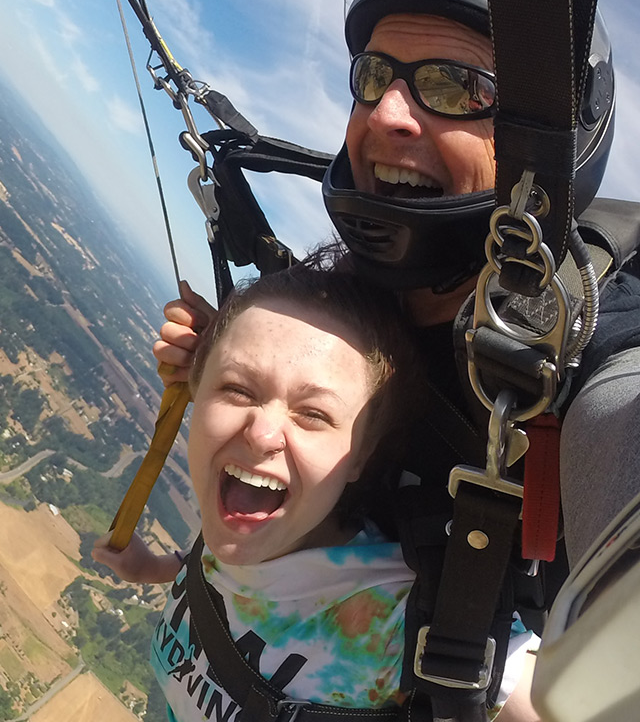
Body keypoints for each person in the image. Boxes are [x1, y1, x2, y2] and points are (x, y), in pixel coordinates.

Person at [156, 0, 640, 573]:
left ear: (551, 149)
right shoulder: (348, 305)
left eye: (458, 87)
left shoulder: (586, 342)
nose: (385, 112)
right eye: (376, 75)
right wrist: (242, 375)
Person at [94, 257, 540, 721]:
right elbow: (233, 584)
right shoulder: (246, 519)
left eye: (313, 414)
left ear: (361, 456)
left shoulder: (398, 621)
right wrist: (152, 569)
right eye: (238, 389)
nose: (261, 433)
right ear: (197, 391)